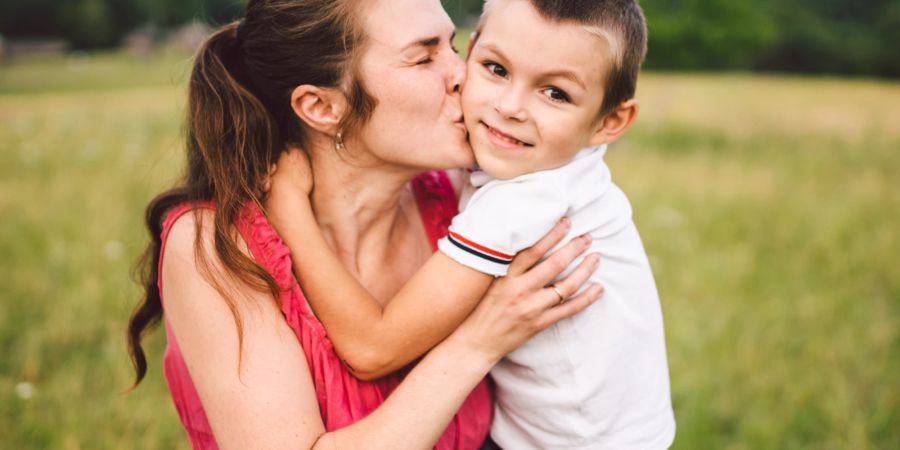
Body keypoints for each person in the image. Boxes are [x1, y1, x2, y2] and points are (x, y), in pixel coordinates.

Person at [125, 0, 604, 449]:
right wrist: (478, 342)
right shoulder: (217, 246)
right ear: (322, 107)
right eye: (424, 58)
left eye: (455, 47)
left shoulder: (464, 203)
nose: (464, 76)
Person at [268, 0, 675, 448]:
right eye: (496, 69)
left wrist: (289, 207)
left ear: (610, 121)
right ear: (473, 53)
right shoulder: (548, 165)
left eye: (555, 93)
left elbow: (373, 349)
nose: (510, 106)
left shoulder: (525, 202)